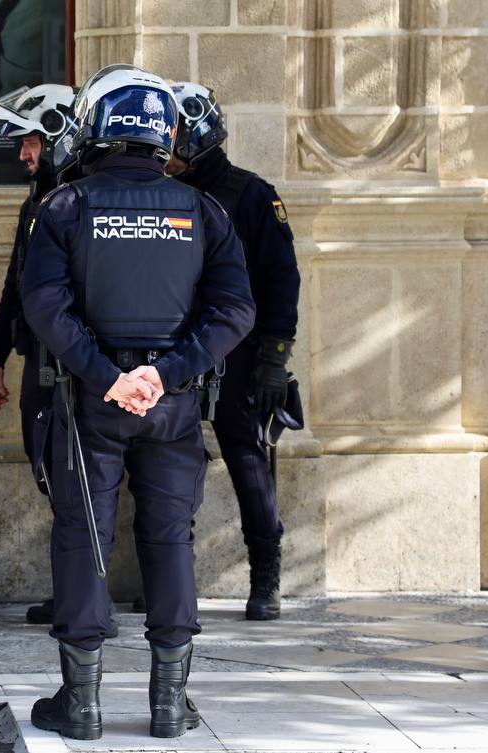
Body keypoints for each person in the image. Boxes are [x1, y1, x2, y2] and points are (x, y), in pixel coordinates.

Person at [21, 66, 255, 740]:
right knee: (170, 537)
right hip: (173, 403)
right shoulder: (202, 210)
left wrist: (107, 376)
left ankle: (83, 705)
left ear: (98, 127)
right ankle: (167, 704)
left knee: (83, 536)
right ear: (162, 136)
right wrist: (168, 369)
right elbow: (235, 309)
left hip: (90, 403)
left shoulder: (63, 207)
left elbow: (44, 304)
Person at [0, 84, 125, 634]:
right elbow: (16, 285)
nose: (23, 153)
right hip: (39, 359)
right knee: (52, 473)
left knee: (80, 481)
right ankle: (75, 589)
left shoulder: (83, 199)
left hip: (75, 366)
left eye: (31, 141)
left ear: (63, 133)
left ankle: (89, 603)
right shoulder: (39, 201)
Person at [165, 82, 300, 621]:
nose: (162, 150)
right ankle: (168, 576)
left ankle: (265, 575)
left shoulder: (251, 194)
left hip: (238, 355)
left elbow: (281, 282)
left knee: (248, 462)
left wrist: (274, 359)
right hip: (177, 349)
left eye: (170, 139)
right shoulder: (165, 193)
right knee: (168, 463)